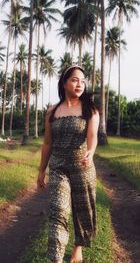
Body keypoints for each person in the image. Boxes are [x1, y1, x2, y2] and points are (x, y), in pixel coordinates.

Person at [37, 65, 99, 263]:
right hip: (59, 167)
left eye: (82, 80)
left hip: (82, 166)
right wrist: (41, 171)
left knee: (84, 211)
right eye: (74, 80)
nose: (79, 84)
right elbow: (47, 143)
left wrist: (90, 152)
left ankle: (77, 249)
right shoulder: (52, 111)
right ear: (64, 83)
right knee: (59, 210)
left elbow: (93, 137)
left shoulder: (91, 110)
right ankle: (56, 258)